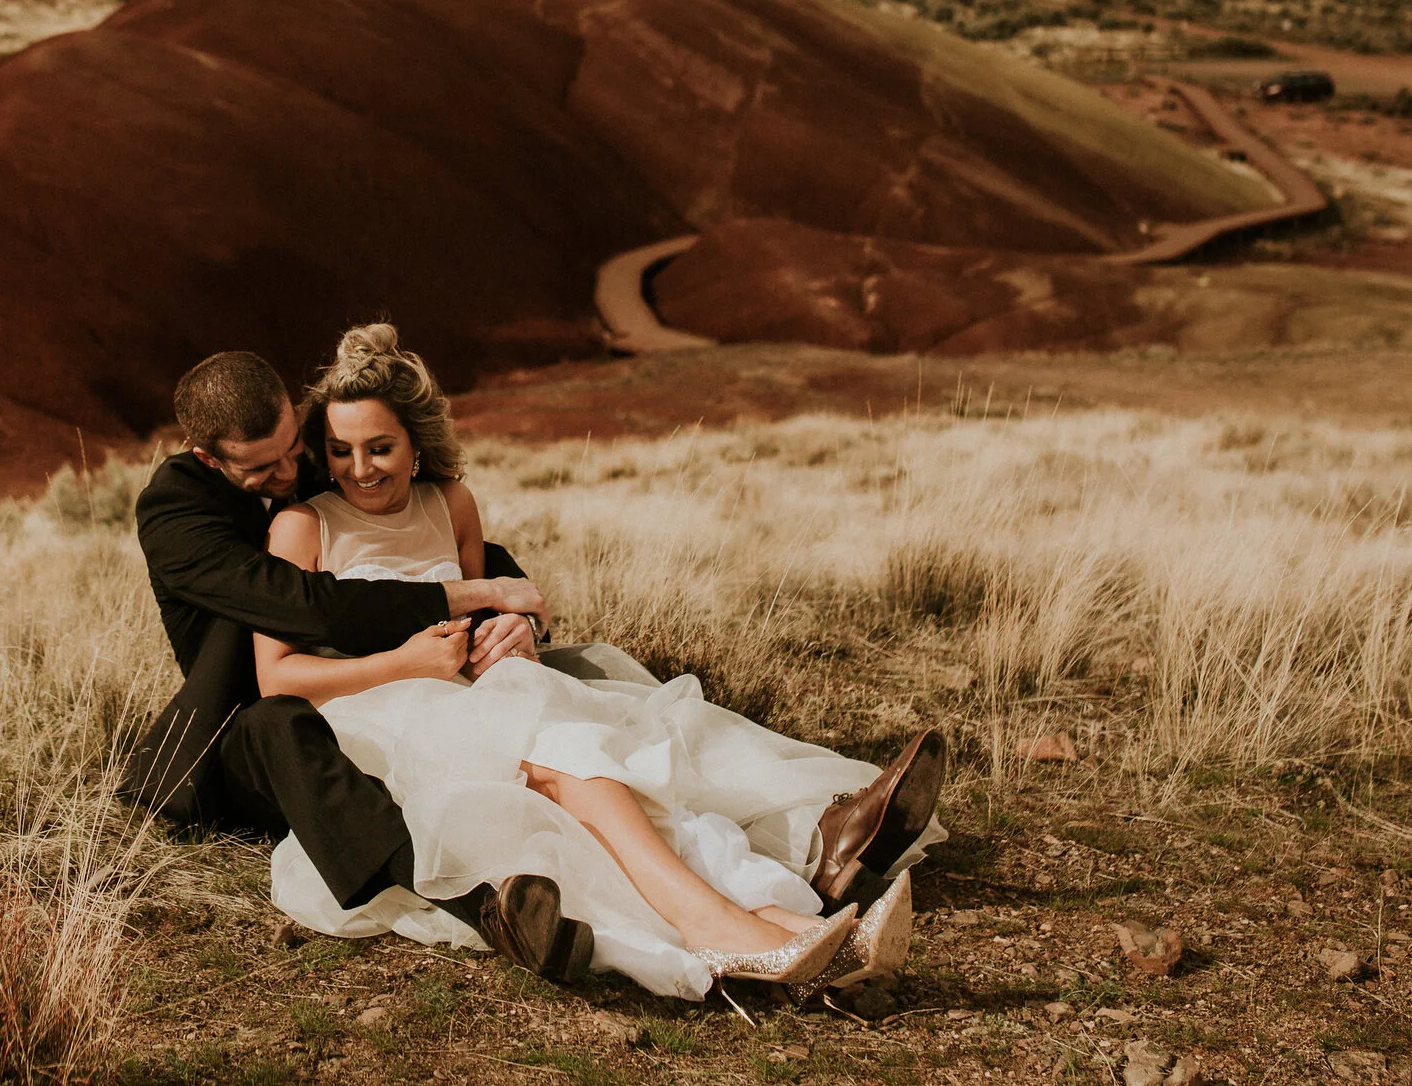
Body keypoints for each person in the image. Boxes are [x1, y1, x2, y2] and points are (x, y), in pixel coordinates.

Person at [255, 324, 944, 1000]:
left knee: (610, 762)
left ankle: (787, 924)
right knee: (576, 763)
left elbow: (485, 610)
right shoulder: (302, 527)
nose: (360, 468)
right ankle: (729, 925)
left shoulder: (452, 504)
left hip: (489, 692)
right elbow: (277, 678)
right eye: (340, 450)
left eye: (380, 447)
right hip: (384, 722)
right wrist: (406, 664)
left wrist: (514, 631)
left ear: (416, 444)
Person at [125, 349, 595, 981]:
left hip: (363, 713)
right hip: (243, 737)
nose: (291, 471)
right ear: (208, 457)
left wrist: (517, 611)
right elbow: (308, 606)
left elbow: (433, 547)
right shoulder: (174, 513)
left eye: (294, 449)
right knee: (275, 721)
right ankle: (485, 910)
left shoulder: (319, 458)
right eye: (263, 467)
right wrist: (464, 601)